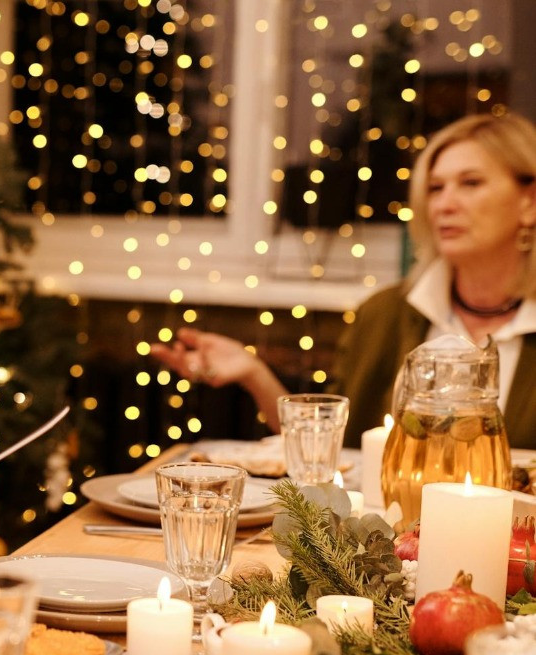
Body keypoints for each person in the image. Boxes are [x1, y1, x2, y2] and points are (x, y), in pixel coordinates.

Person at [151, 112, 536, 449]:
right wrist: (254, 373)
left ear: (529, 202)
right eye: (435, 188)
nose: (444, 204)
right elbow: (329, 447)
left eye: (471, 183)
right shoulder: (385, 314)